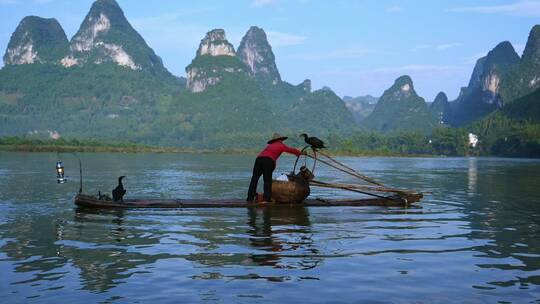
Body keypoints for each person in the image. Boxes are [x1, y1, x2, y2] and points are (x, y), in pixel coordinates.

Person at [247, 133, 303, 203]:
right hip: (268, 161)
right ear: (280, 140)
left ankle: (250, 198)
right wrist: (299, 153)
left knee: (254, 179)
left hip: (259, 159)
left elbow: (271, 158)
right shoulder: (281, 145)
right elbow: (291, 150)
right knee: (267, 181)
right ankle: (266, 199)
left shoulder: (269, 146)